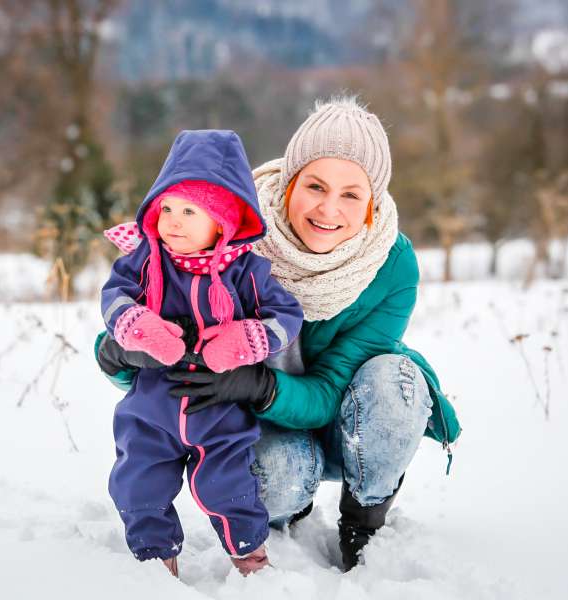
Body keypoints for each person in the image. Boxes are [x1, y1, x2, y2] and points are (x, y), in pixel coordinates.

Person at [99, 97, 462, 572]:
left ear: (372, 204)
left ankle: (363, 525)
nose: (328, 208)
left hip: (346, 416)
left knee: (396, 382)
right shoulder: (225, 229)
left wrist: (260, 385)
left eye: (351, 194)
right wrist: (121, 350)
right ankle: (289, 509)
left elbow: (333, 388)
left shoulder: (391, 264)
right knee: (273, 479)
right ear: (290, 182)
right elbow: (137, 303)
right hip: (258, 426)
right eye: (315, 185)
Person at [97, 129, 303, 578]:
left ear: (224, 220)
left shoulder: (247, 270)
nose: (173, 220)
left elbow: (285, 315)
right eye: (166, 207)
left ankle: (250, 557)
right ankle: (155, 562)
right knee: (138, 483)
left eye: (190, 211)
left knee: (227, 488)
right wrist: (138, 328)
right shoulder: (146, 259)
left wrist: (244, 340)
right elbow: (115, 296)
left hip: (220, 408)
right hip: (152, 403)